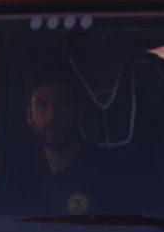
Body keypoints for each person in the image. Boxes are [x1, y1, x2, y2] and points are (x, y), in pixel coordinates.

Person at [12, 72, 111, 215]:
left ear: (77, 110)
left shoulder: (105, 175)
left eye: (62, 104)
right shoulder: (19, 179)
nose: (52, 114)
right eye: (42, 104)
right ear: (29, 115)